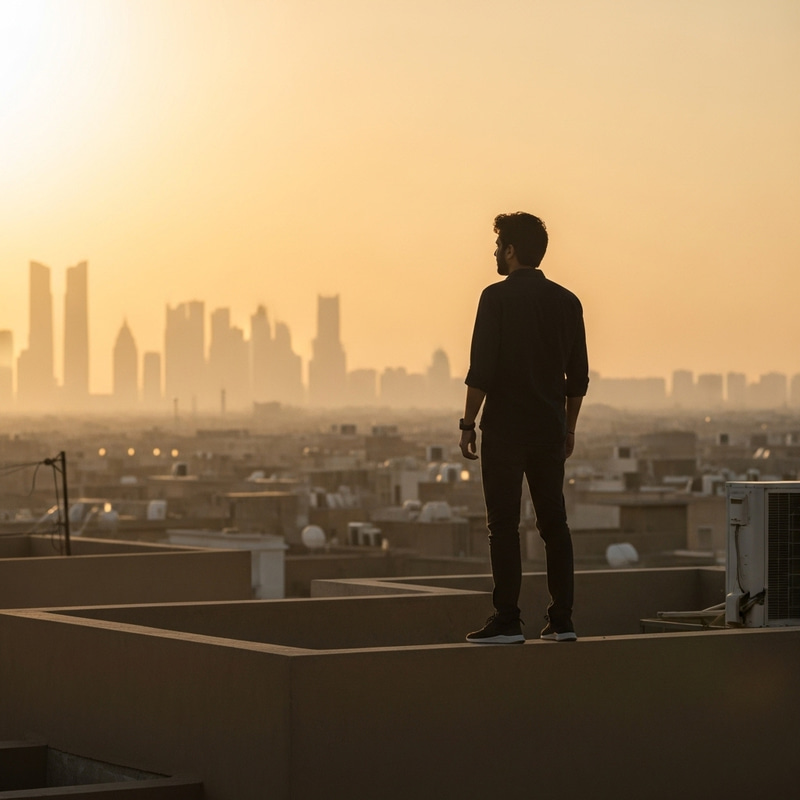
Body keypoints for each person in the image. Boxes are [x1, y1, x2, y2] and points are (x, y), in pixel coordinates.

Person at [460, 212, 589, 644]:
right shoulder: (568, 302)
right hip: (549, 429)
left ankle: (507, 619)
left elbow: (482, 368)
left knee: (503, 526)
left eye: (499, 246)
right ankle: (563, 620)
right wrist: (568, 428)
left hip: (505, 430)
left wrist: (467, 423)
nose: (495, 252)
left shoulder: (494, 298)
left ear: (512, 250)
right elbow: (579, 377)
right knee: (555, 524)